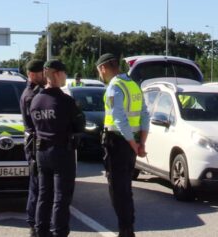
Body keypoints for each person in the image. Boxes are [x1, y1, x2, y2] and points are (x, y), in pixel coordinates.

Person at [96, 53, 150, 237]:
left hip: (118, 143)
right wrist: (141, 142)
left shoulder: (114, 87)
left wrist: (134, 145)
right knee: (125, 187)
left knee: (118, 189)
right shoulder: (133, 84)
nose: (100, 75)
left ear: (103, 68)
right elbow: (145, 115)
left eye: (99, 71)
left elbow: (119, 119)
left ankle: (125, 230)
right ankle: (128, 228)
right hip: (130, 143)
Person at [30, 59, 85, 237]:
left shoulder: (35, 100)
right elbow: (79, 125)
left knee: (44, 195)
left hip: (41, 152)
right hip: (61, 152)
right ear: (56, 74)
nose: (66, 76)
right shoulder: (65, 101)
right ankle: (60, 232)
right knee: (61, 197)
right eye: (64, 73)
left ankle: (40, 231)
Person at [20, 59, 46, 237]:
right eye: (41, 73)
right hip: (35, 144)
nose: (44, 76)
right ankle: (34, 225)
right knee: (36, 186)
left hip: (35, 143)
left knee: (38, 185)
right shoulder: (31, 95)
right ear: (31, 74)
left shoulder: (35, 92)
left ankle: (37, 222)